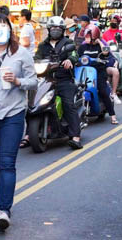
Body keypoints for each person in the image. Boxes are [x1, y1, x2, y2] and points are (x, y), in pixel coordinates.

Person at [0, 13, 36, 230]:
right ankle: (2, 201)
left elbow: (33, 81)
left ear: (10, 30)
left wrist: (18, 80)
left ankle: (4, 209)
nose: (0, 30)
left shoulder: (21, 54)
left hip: (13, 113)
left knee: (6, 163)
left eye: (4, 26)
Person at [34, 15, 83, 148]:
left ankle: (75, 136)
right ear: (49, 29)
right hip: (46, 79)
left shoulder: (68, 43)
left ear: (62, 30)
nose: (55, 30)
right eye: (53, 28)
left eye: (58, 28)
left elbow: (74, 54)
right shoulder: (43, 45)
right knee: (33, 103)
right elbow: (36, 58)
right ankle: (29, 134)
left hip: (63, 79)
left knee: (68, 104)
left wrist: (70, 60)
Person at [78, 27, 118, 123]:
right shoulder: (82, 47)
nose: (86, 38)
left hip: (98, 72)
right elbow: (77, 57)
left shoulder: (100, 45)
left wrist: (99, 42)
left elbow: (106, 52)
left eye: (89, 36)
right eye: (86, 36)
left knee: (103, 91)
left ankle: (113, 115)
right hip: (84, 72)